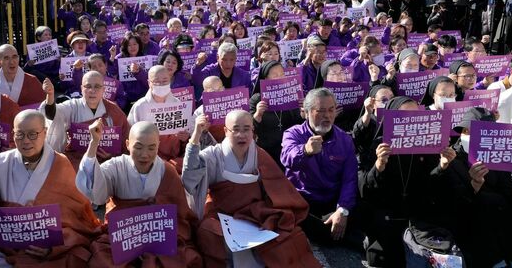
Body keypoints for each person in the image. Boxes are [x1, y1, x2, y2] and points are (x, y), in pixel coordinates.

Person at [0, 110, 100, 266]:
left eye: (33, 134)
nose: (26, 141)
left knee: (73, 258)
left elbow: (75, 217)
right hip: (6, 242)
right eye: (20, 134)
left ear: (45, 133)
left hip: (44, 246)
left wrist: (54, 246)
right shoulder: (1, 162)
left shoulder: (59, 164)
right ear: (13, 134)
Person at [182, 110, 321, 267]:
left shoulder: (259, 154)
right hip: (222, 214)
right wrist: (196, 136)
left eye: (246, 129)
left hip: (254, 213)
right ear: (225, 131)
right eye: (236, 129)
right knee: (209, 233)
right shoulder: (214, 155)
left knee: (288, 233)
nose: (241, 135)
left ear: (253, 130)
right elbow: (190, 178)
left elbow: (277, 186)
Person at [75, 121, 202, 267]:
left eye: (151, 148)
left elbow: (179, 216)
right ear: (128, 144)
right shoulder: (116, 167)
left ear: (158, 146)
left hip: (157, 235)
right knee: (102, 258)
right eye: (138, 147)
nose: (145, 155)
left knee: (182, 258)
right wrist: (94, 143)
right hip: (125, 235)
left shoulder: (167, 171)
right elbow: (95, 192)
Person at [362, 96, 457, 267]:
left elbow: (432, 186)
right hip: (388, 213)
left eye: (415, 113)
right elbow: (366, 190)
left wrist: (442, 166)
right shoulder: (380, 144)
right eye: (404, 115)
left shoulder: (429, 143)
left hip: (419, 213)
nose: (411, 119)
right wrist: (379, 165)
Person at [442, 108, 512, 267]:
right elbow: (454, 207)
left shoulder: (499, 155)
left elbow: (510, 202)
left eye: (485, 133)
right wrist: (475, 185)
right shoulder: (451, 159)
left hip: (505, 232)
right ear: (463, 131)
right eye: (469, 132)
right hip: (473, 235)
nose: (475, 137)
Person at [281, 88, 360, 247]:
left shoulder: (344, 139)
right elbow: (286, 159)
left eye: (331, 110)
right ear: (306, 112)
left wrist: (342, 210)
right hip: (303, 201)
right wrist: (305, 151)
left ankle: (337, 228)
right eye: (321, 111)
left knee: (363, 210)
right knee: (296, 220)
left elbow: (350, 178)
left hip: (332, 200)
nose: (327, 116)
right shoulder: (293, 134)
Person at [41, 71, 130, 165]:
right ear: (81, 89)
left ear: (103, 89)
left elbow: (126, 141)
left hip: (106, 162)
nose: (92, 90)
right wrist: (50, 96)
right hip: (77, 160)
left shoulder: (113, 110)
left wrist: (111, 156)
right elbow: (53, 115)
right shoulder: (73, 106)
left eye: (97, 86)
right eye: (88, 86)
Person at [128, 65, 194, 172]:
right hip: (147, 159)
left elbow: (187, 136)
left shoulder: (178, 104)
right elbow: (130, 135)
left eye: (165, 81)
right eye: (157, 81)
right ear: (149, 83)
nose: (161, 84)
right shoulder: (140, 106)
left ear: (170, 81)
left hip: (174, 159)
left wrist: (185, 138)